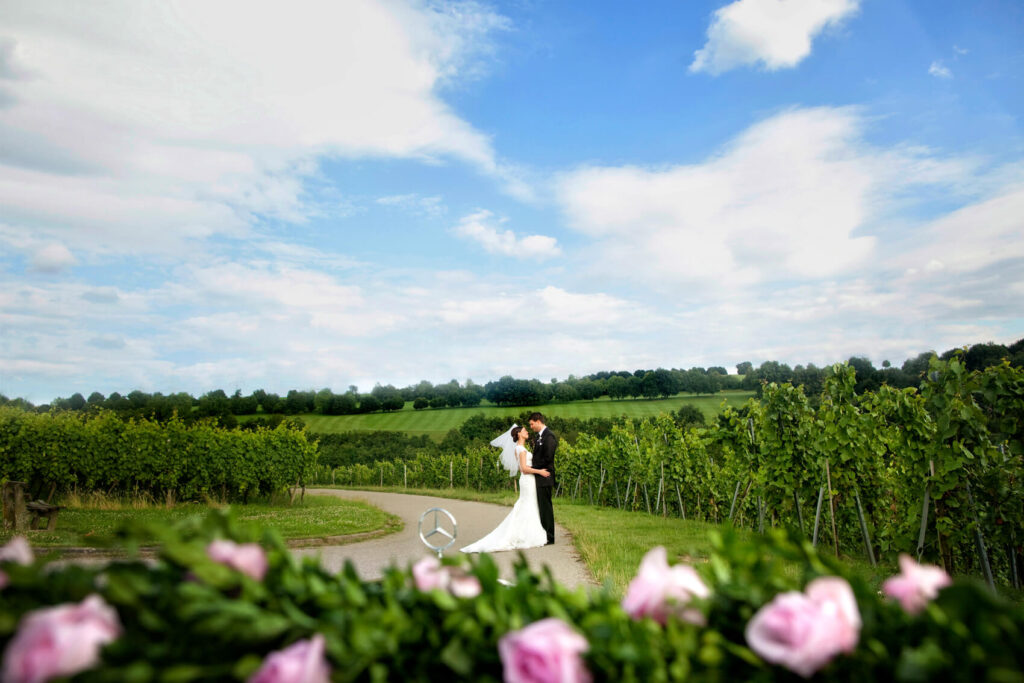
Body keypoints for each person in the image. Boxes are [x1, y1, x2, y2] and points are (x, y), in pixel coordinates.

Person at [461, 424, 549, 553]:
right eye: (525, 430)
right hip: (528, 479)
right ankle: (525, 534)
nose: (527, 432)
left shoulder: (519, 448)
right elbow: (524, 469)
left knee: (528, 504)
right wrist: (540, 471)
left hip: (527, 480)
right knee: (528, 504)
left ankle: (526, 531)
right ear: (519, 434)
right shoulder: (521, 450)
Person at [528, 412, 557, 545]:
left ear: (538, 421)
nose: (531, 427)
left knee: (546, 508)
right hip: (540, 476)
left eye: (532, 424)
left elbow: (548, 458)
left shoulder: (549, 436)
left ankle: (550, 537)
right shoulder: (538, 437)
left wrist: (533, 467)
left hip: (545, 476)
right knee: (541, 506)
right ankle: (543, 534)